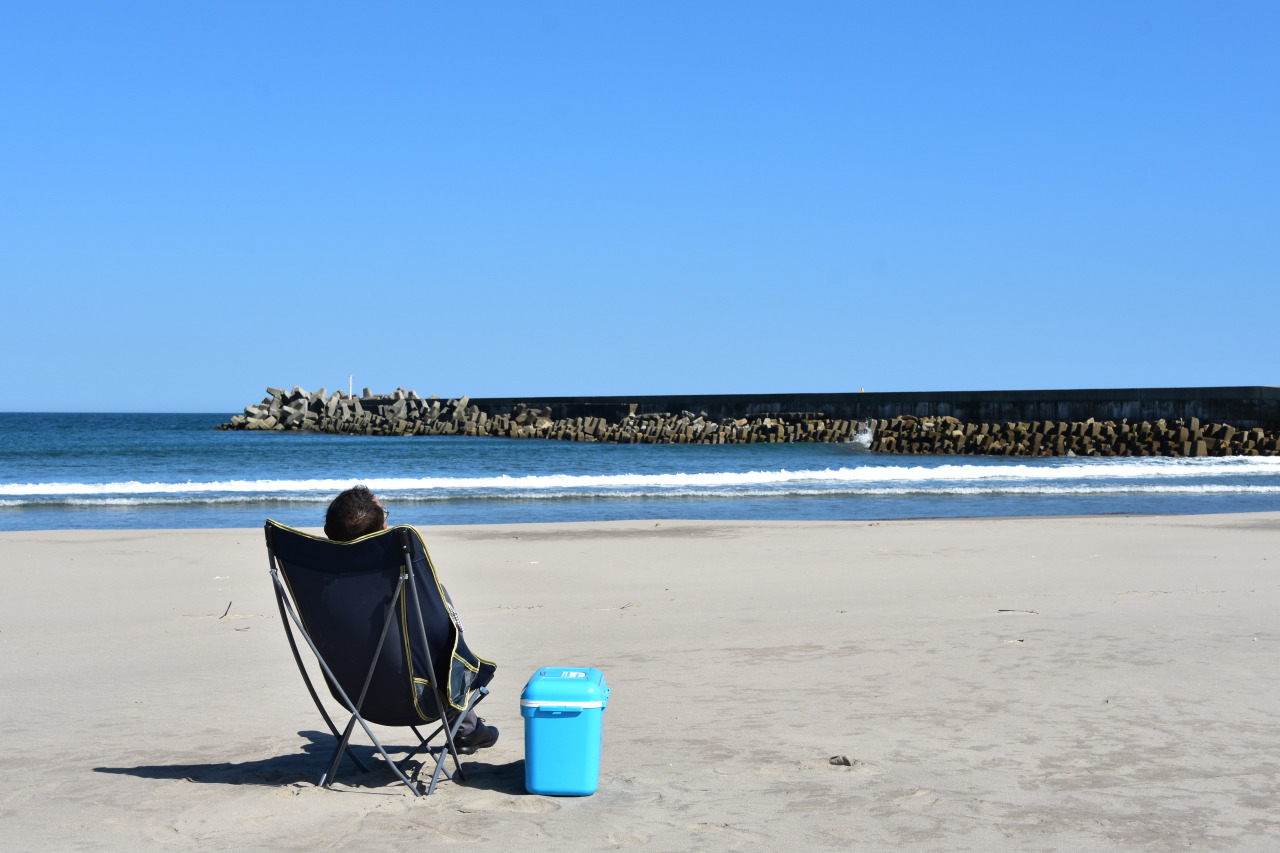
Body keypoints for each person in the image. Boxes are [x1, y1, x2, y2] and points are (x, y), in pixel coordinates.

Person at [324, 485, 498, 753]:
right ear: (383, 530)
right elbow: (447, 642)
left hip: (351, 693)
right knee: (440, 634)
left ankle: (466, 726)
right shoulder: (405, 582)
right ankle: (466, 729)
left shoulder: (321, 582)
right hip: (413, 699)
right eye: (385, 515)